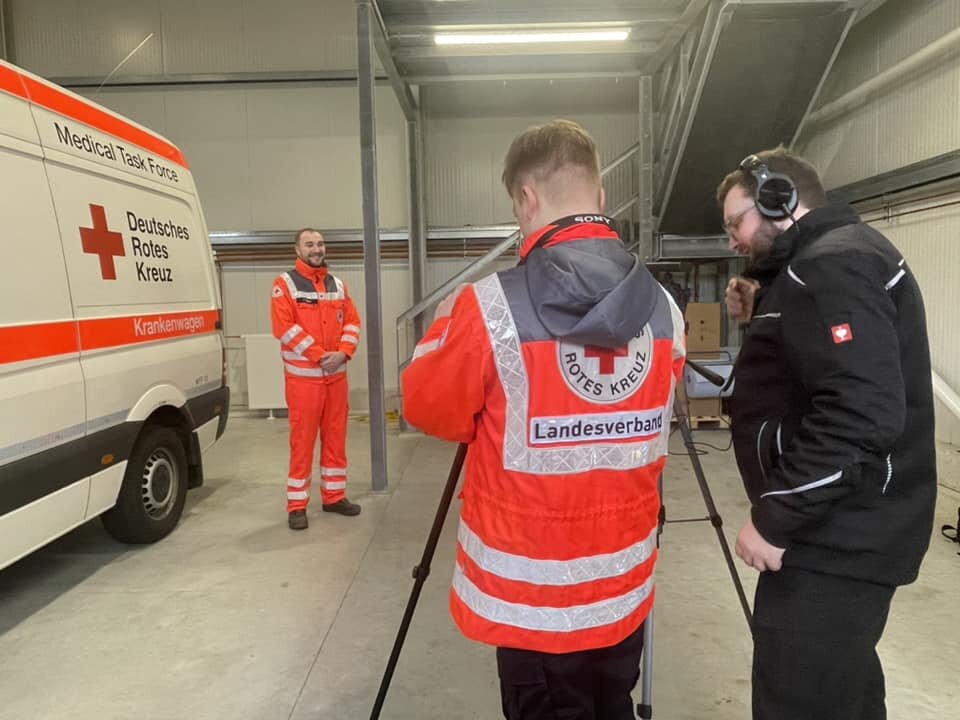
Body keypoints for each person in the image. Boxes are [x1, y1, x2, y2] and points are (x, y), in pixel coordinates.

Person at [402, 120, 686, 719]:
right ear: (600, 196)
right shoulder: (664, 308)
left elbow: (430, 408)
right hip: (621, 582)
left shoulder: (487, 306)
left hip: (531, 596)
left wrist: (445, 326)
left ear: (527, 199)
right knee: (612, 704)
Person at [718, 147, 937, 720]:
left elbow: (860, 412)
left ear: (779, 200)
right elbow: (821, 368)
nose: (733, 240)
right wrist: (768, 304)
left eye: (736, 223)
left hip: (833, 538)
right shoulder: (830, 262)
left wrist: (776, 517)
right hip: (846, 528)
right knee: (842, 690)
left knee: (800, 698)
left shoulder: (831, 267)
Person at [271, 228, 362, 529]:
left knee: (336, 438)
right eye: (309, 244)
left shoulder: (338, 284)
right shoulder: (284, 284)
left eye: (320, 244)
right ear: (297, 250)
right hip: (304, 382)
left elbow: (352, 322)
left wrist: (344, 352)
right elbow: (284, 328)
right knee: (303, 442)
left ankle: (334, 497)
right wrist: (321, 355)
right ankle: (297, 505)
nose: (316, 249)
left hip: (336, 379)